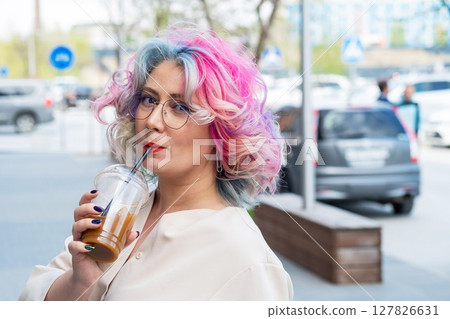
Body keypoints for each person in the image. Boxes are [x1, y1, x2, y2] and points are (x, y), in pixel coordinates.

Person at [19, 25, 293, 301]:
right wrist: (80, 281)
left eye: (180, 107)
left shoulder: (247, 262)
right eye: (149, 99)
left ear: (221, 132)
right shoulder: (124, 211)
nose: (151, 120)